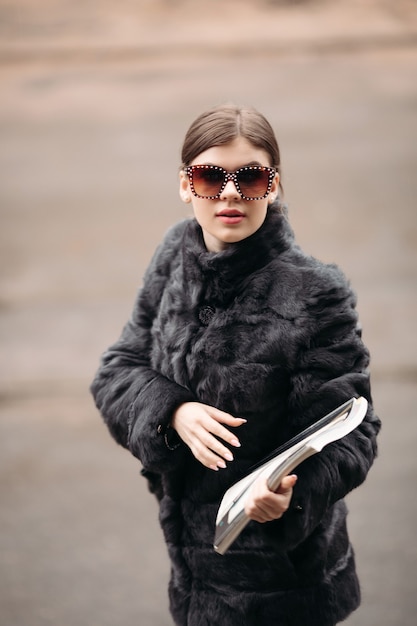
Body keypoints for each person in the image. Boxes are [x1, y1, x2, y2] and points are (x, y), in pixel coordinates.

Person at [90, 103, 381, 626]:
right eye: (209, 176)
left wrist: (291, 497)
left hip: (284, 586)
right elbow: (117, 369)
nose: (229, 193)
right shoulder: (173, 256)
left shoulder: (315, 293)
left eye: (249, 177)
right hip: (192, 572)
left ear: (272, 185)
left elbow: (353, 431)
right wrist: (172, 410)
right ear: (186, 186)